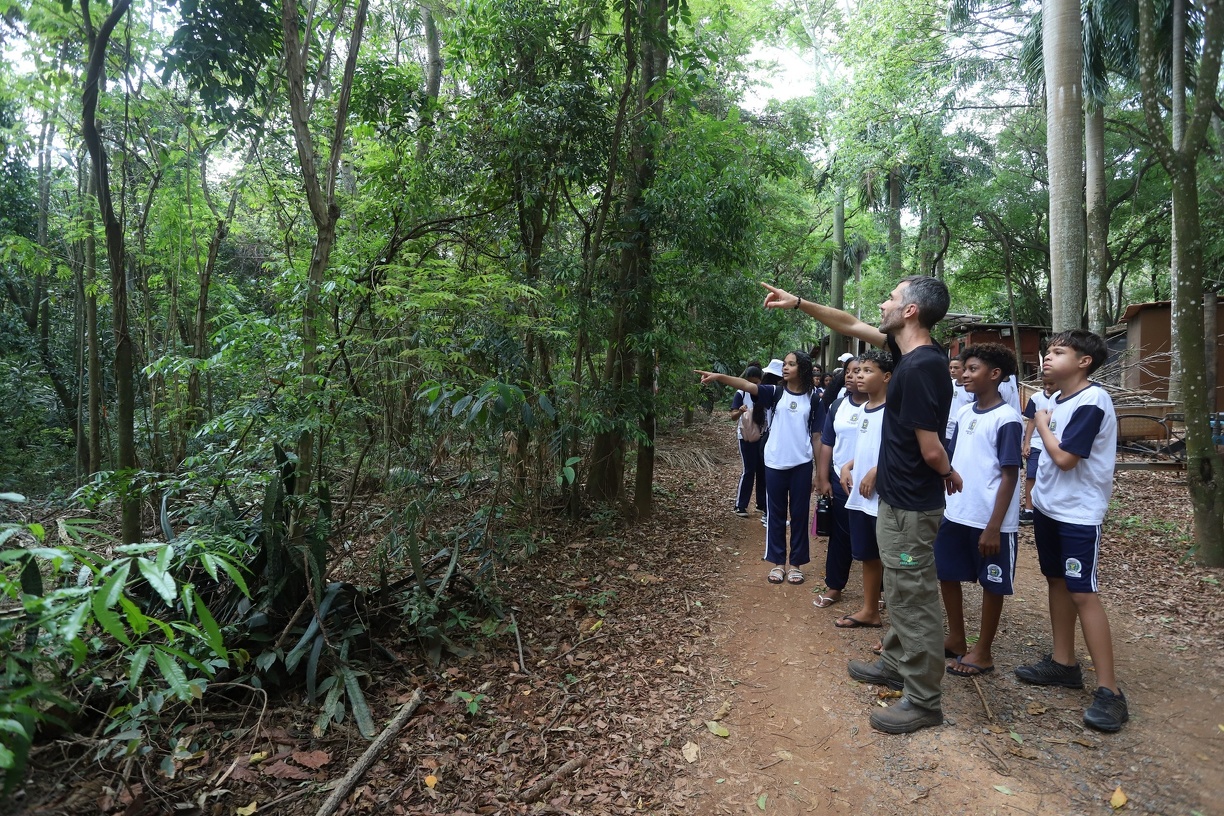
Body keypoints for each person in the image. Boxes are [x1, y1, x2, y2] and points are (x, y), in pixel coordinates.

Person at [763, 277, 956, 735]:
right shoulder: (906, 355)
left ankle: (925, 699)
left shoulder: (922, 367)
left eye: (891, 297)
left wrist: (947, 471)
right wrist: (799, 304)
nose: (883, 303)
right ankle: (894, 661)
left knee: (913, 595)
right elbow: (848, 322)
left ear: (910, 311)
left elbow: (930, 448)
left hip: (911, 504)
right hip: (896, 497)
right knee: (900, 583)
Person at [1015, 330, 1127, 732]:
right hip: (1049, 508)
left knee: (1083, 591)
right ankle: (1064, 663)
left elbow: (1064, 458)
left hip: (1079, 513)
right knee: (1056, 581)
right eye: (1047, 351)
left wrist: (1042, 425)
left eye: (1058, 352)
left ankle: (1110, 691)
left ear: (1084, 361)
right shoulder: (1055, 399)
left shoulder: (1092, 400)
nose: (1047, 357)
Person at [698, 352, 824, 585]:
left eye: (792, 364)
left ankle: (795, 564)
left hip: (802, 465)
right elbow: (746, 384)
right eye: (785, 364)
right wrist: (719, 376)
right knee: (775, 515)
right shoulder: (774, 392)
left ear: (803, 369)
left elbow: (817, 437)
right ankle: (778, 563)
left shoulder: (814, 398)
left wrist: (820, 473)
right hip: (775, 463)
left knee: (799, 515)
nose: (786, 368)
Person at [935, 344, 1023, 678]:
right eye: (963, 369)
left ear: (995, 375)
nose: (964, 375)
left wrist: (993, 526)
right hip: (957, 512)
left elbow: (1010, 473)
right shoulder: (965, 412)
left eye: (972, 369)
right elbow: (954, 457)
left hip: (990, 520)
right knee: (946, 572)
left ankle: (983, 651)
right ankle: (957, 637)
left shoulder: (1007, 418)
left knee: (992, 583)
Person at [834, 349, 893, 629]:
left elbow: (903, 448)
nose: (858, 375)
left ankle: (899, 623)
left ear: (887, 377)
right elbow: (866, 446)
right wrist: (849, 466)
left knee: (892, 558)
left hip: (884, 495)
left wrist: (876, 471)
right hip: (860, 495)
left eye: (867, 371)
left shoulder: (895, 409)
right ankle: (870, 610)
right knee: (868, 554)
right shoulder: (864, 408)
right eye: (857, 371)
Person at [813, 358, 863, 609]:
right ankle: (835, 586)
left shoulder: (887, 406)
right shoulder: (838, 406)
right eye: (850, 372)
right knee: (840, 535)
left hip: (875, 481)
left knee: (877, 536)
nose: (853, 376)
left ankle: (880, 591)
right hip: (840, 479)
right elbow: (827, 443)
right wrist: (822, 478)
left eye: (861, 371)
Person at [730, 365, 766, 518]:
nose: (753, 386)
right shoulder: (741, 393)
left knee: (762, 471)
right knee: (749, 470)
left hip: (763, 436)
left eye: (756, 382)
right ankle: (740, 505)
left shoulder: (765, 392)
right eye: (750, 382)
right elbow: (732, 416)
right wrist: (740, 411)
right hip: (745, 437)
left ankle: (761, 504)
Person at [1019, 375, 1055, 525]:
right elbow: (1032, 421)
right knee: (1031, 475)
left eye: (1051, 383)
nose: (1047, 387)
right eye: (1045, 384)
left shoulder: (1063, 399)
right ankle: (1029, 509)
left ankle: (1048, 509)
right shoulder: (1036, 397)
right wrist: (1026, 442)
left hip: (1054, 444)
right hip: (1036, 443)